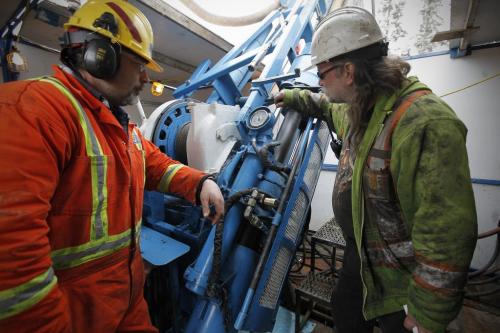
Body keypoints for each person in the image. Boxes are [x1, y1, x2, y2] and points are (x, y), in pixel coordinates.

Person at [0, 1, 224, 332]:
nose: (146, 79)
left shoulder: (119, 128)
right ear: (101, 57)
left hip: (125, 302)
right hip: (74, 315)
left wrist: (201, 182)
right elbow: (12, 260)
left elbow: (156, 166)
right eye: (139, 65)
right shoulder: (33, 111)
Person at [275, 7, 477, 333]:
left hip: (403, 276)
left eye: (322, 74)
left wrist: (428, 314)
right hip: (363, 256)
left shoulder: (423, 122)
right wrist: (291, 97)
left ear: (349, 72)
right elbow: (325, 106)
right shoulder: (360, 109)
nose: (320, 82)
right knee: (346, 312)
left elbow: (446, 233)